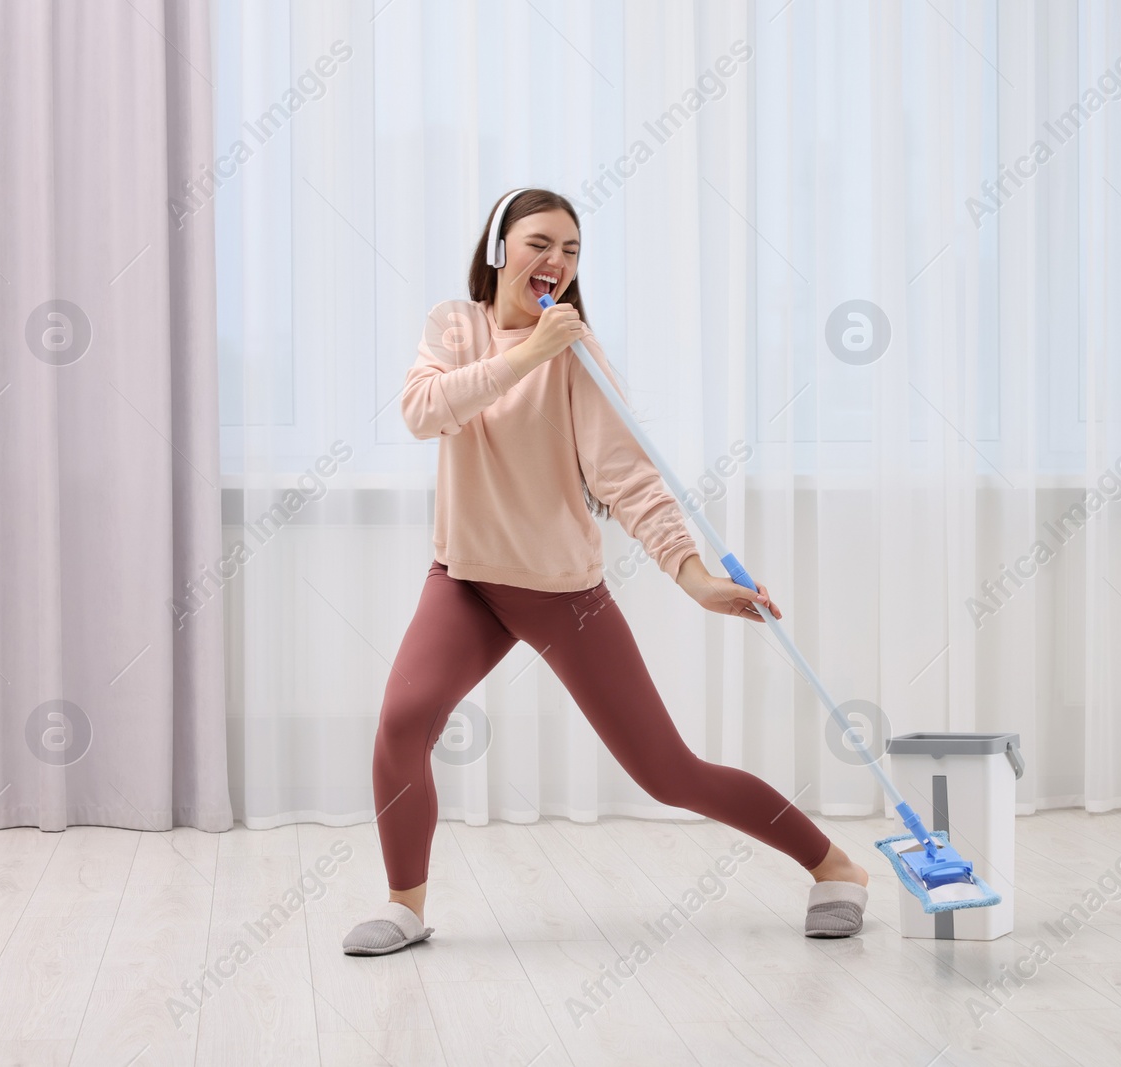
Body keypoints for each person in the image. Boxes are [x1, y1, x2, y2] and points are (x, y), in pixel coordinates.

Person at [341, 188, 870, 956]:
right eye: (539, 243)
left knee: (669, 773)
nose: (556, 261)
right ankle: (406, 906)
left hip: (562, 595)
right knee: (400, 724)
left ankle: (836, 867)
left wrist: (693, 577)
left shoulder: (577, 358)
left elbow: (631, 479)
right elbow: (424, 411)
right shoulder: (457, 326)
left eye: (572, 250)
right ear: (499, 250)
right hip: (465, 580)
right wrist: (525, 353)